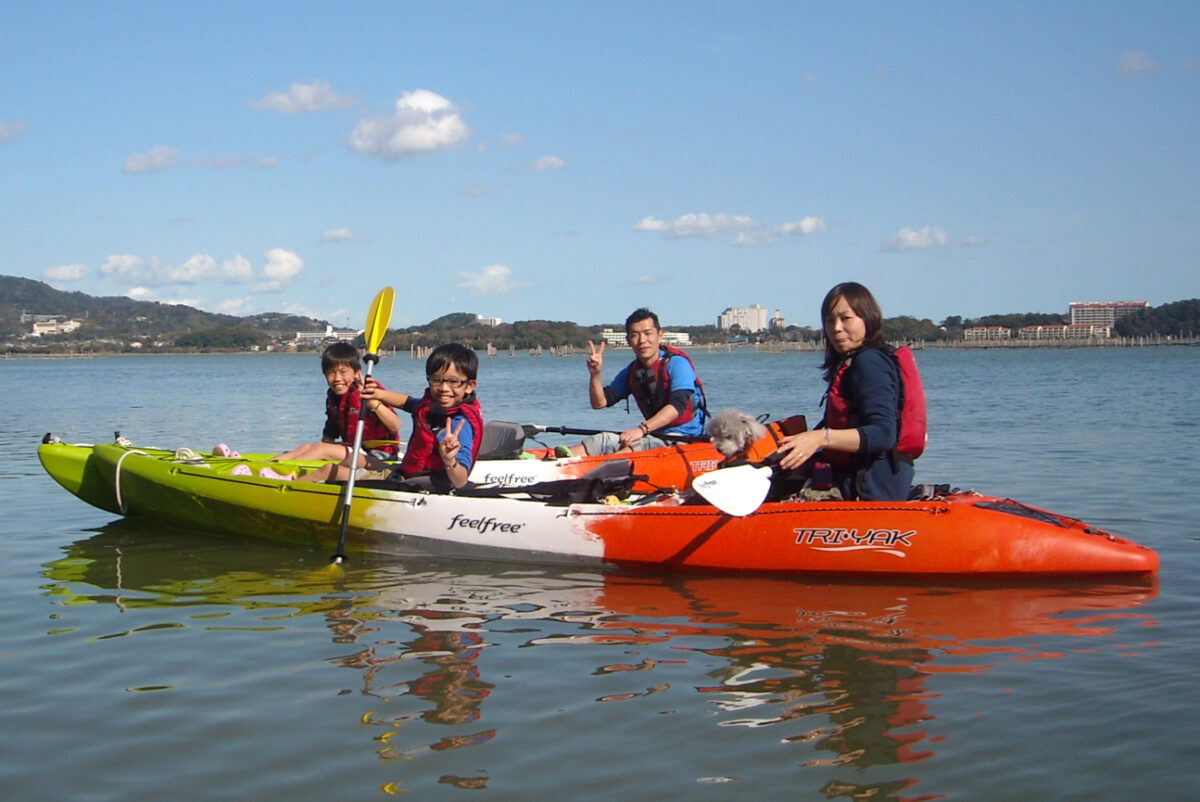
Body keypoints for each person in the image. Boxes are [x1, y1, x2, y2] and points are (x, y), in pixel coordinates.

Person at [774, 282, 915, 501]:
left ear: (867, 319)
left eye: (846, 318)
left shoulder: (870, 362)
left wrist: (820, 438)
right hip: (851, 477)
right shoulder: (853, 362)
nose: (836, 328)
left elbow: (883, 434)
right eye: (830, 321)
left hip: (870, 488)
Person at [277, 343, 483, 491]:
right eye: (437, 380)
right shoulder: (434, 405)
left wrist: (449, 460)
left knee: (328, 469)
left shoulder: (456, 424)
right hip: (408, 472)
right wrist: (378, 393)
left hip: (420, 484)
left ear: (469, 386)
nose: (444, 388)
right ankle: (320, 488)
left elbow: (460, 481)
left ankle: (283, 491)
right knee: (355, 459)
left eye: (454, 382)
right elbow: (409, 402)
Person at [222, 341, 400, 466]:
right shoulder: (333, 396)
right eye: (330, 373)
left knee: (320, 449)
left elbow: (395, 424)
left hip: (380, 455)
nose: (337, 379)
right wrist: (324, 444)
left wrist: (374, 403)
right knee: (308, 447)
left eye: (343, 372)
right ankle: (263, 464)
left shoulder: (369, 389)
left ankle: (275, 470)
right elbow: (332, 426)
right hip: (354, 449)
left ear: (356, 373)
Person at [571, 307, 708, 456]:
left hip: (684, 438)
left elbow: (677, 406)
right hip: (653, 434)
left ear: (660, 336)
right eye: (635, 335)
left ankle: (596, 472)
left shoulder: (678, 364)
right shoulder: (632, 371)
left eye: (648, 333)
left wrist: (641, 429)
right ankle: (553, 462)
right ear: (629, 341)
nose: (642, 340)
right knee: (599, 442)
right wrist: (595, 374)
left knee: (633, 447)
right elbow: (599, 403)